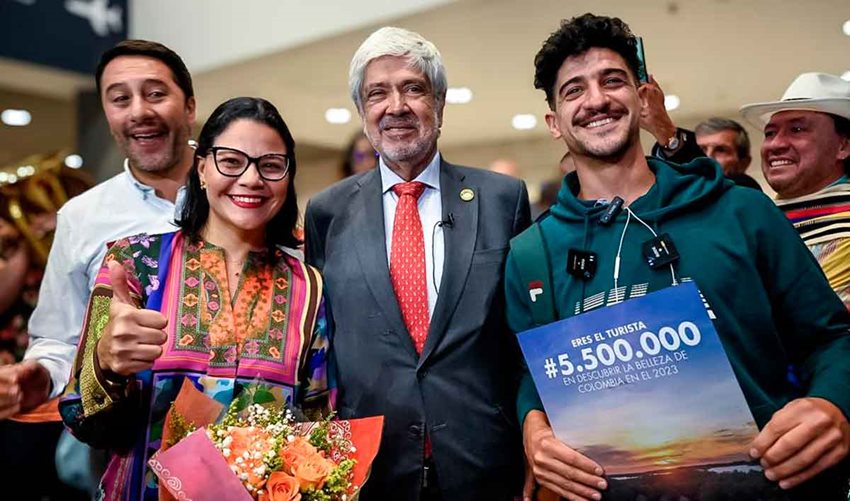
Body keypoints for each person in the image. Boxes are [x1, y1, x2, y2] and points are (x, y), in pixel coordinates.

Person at [507, 13, 850, 501]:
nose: (597, 100)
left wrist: (833, 403)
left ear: (642, 97)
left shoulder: (740, 212)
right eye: (573, 90)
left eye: (613, 81)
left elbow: (832, 336)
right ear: (554, 124)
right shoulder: (530, 254)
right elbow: (530, 373)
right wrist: (533, 429)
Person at [60, 97, 331, 500]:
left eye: (271, 165)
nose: (252, 179)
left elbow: (317, 423)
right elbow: (82, 417)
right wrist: (104, 363)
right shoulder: (132, 262)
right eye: (231, 161)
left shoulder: (309, 287)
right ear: (201, 168)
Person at [304, 26, 530, 500]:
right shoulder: (327, 212)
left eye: (413, 88)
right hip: (368, 466)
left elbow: (521, 334)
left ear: (440, 103)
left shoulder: (501, 198)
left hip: (484, 460)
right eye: (377, 94)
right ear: (364, 113)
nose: (396, 106)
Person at [0, 40, 197, 420]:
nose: (140, 111)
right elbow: (57, 339)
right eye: (120, 99)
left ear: (189, 106)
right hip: (122, 440)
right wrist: (36, 377)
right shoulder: (82, 216)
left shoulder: (239, 195)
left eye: (156, 94)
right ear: (108, 114)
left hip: (242, 437)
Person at [741, 72, 850, 305]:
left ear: (843, 146)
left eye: (797, 130)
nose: (775, 144)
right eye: (770, 133)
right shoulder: (750, 223)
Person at [695, 117, 761, 190]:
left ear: (743, 163)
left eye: (720, 150)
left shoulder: (747, 191)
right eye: (701, 149)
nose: (708, 157)